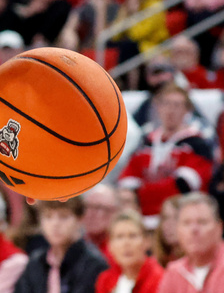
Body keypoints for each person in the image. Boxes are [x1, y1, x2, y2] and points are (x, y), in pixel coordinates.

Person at [119, 84, 216, 220]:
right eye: (166, 104)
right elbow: (126, 180)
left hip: (181, 217)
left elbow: (184, 187)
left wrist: (141, 194)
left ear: (187, 110)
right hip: (142, 217)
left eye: (177, 105)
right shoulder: (145, 142)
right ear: (157, 107)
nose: (171, 110)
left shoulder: (197, 144)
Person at [12, 198, 108, 293]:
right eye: (48, 217)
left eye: (63, 216)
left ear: (80, 219)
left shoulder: (94, 264)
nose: (55, 224)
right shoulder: (36, 262)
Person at [156, 193, 224, 292]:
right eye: (186, 223)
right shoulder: (174, 272)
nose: (194, 229)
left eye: (202, 222)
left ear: (219, 228)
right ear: (178, 230)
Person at [95, 210, 164, 293]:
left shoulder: (159, 278)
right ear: (110, 245)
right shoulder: (105, 280)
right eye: (119, 237)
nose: (126, 243)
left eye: (132, 236)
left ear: (147, 241)